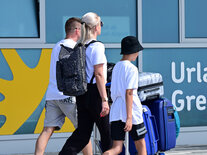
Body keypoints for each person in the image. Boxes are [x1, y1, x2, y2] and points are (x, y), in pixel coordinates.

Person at [34, 17, 92, 155]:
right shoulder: (72, 47)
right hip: (68, 96)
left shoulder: (57, 46)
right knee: (83, 131)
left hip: (52, 95)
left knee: (47, 130)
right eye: (82, 30)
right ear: (77, 30)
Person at [59, 12, 112, 155]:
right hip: (96, 93)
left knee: (82, 133)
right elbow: (99, 74)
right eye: (100, 24)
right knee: (107, 133)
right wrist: (104, 100)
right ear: (95, 27)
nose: (101, 27)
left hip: (82, 92)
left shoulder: (80, 45)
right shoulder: (98, 46)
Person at [103, 36, 147, 155]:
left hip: (116, 110)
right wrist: (129, 118)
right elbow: (129, 93)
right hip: (131, 111)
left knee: (116, 148)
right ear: (133, 51)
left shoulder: (116, 66)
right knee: (141, 145)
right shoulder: (132, 69)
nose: (138, 54)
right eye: (137, 51)